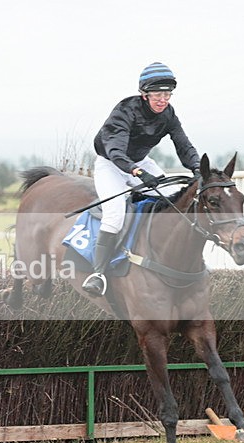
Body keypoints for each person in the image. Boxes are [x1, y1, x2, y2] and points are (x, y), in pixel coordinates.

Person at [83, 62, 201, 296]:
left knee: (172, 199)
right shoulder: (125, 110)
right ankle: (97, 273)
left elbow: (183, 144)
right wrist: (137, 173)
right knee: (115, 215)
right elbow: (116, 151)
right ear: (144, 95)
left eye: (167, 94)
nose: (163, 100)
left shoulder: (168, 114)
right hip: (111, 165)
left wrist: (197, 168)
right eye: (158, 94)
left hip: (141, 161)